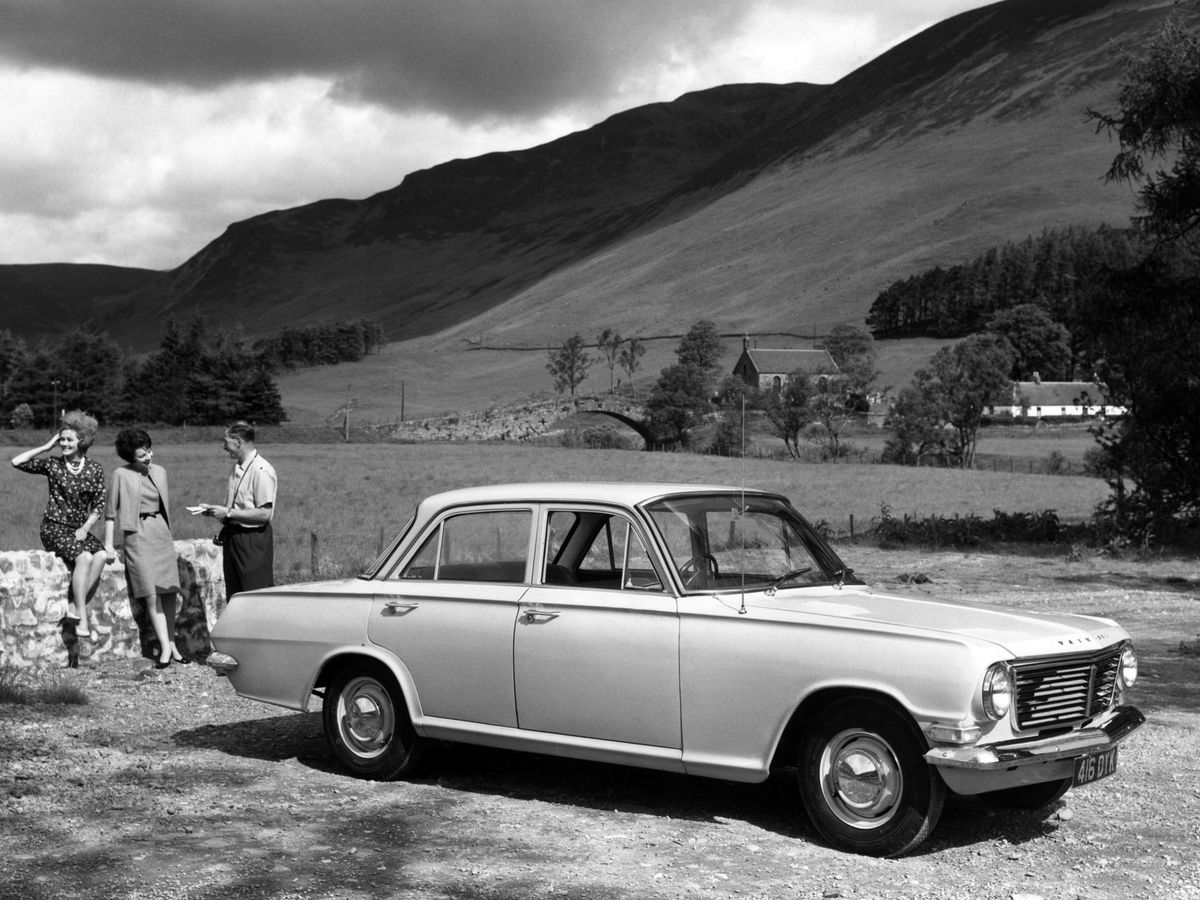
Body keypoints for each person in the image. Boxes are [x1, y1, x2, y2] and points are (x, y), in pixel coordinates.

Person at [10, 410, 109, 655]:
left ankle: (75, 605)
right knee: (83, 558)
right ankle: (82, 618)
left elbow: (98, 505)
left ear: (83, 441)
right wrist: (46, 446)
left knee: (102, 556)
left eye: (69, 440)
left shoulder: (95, 470)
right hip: (54, 527)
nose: (64, 444)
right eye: (61, 439)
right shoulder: (53, 465)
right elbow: (17, 462)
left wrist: (86, 528)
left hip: (79, 530)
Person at [103, 428, 183, 669]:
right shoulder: (119, 474)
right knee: (150, 592)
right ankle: (165, 647)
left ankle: (172, 644)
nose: (148, 457)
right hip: (137, 536)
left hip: (161, 534)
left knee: (168, 591)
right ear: (130, 457)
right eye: (141, 455)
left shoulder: (160, 472)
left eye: (149, 451)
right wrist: (108, 543)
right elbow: (110, 513)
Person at [200, 420, 277, 600]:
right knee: (236, 596)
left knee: (255, 595)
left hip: (252, 540)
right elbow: (233, 508)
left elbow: (265, 514)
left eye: (226, 442)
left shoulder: (261, 470)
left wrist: (228, 513)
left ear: (238, 441)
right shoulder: (235, 469)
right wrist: (214, 511)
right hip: (233, 537)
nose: (224, 447)